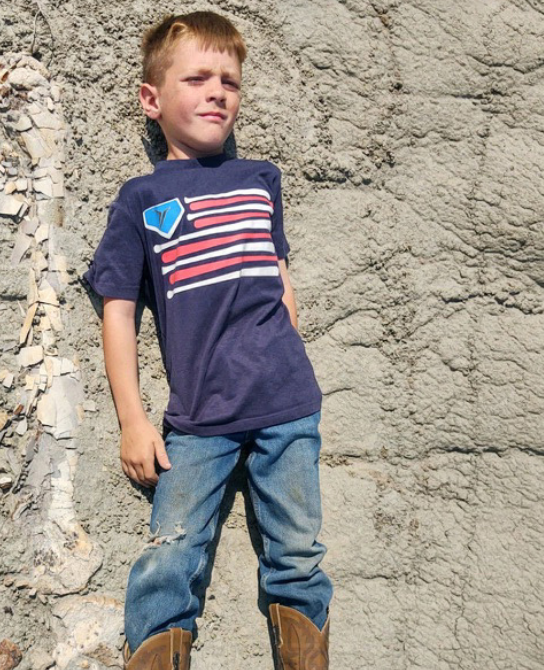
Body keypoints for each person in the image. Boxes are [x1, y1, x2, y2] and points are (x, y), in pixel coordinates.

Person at [82, 11, 333, 670]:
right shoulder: (141, 199)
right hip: (198, 418)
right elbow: (117, 311)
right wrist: (133, 421)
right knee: (171, 552)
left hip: (286, 403)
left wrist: (288, 352)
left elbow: (280, 283)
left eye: (230, 81)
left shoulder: (260, 180)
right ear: (152, 99)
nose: (217, 91)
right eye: (196, 79)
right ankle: (158, 651)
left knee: (298, 552)